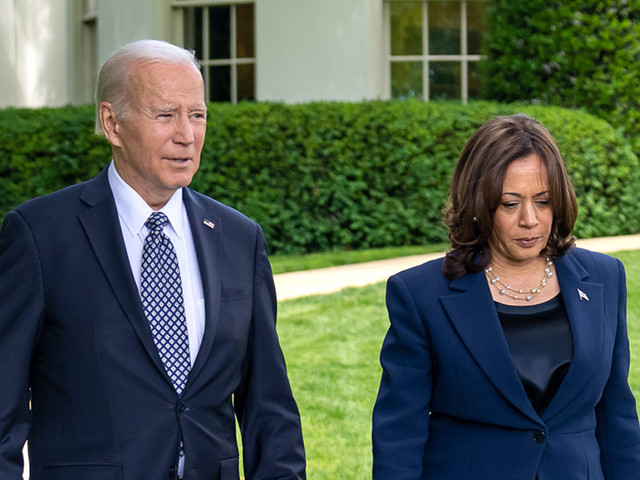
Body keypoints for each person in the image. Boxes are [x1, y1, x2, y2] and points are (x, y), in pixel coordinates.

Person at [0, 39, 306, 480]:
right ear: (112, 123)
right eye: (165, 115)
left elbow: (269, 407)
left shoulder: (240, 238)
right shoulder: (40, 235)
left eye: (197, 115)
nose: (186, 134)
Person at [372, 114, 640, 479]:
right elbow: (399, 438)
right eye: (510, 204)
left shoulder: (606, 278)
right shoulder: (420, 295)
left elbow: (617, 419)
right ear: (479, 206)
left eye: (543, 201)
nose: (529, 219)